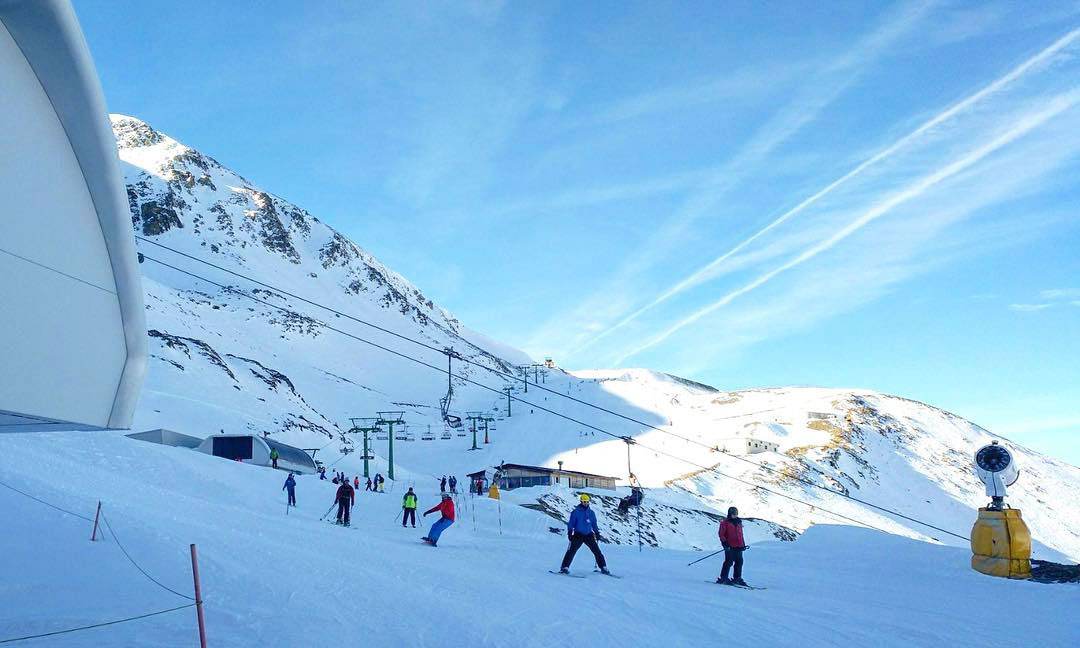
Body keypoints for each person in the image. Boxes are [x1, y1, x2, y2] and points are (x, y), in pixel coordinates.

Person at [559, 494, 609, 574]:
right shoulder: (575, 512)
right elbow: (571, 523)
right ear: (581, 502)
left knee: (597, 551)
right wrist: (570, 532)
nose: (586, 503)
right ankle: (564, 567)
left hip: (589, 535)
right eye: (584, 502)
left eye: (587, 502)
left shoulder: (591, 513)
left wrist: (597, 533)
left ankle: (603, 567)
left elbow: (594, 524)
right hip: (578, 534)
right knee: (571, 551)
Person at [717, 506, 748, 586]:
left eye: (736, 514)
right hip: (729, 546)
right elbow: (721, 534)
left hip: (739, 546)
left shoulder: (739, 522)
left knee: (739, 562)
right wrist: (725, 544)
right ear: (729, 514)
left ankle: (737, 578)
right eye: (733, 514)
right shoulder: (725, 522)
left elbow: (740, 535)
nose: (735, 515)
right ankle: (723, 578)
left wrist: (743, 545)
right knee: (729, 562)